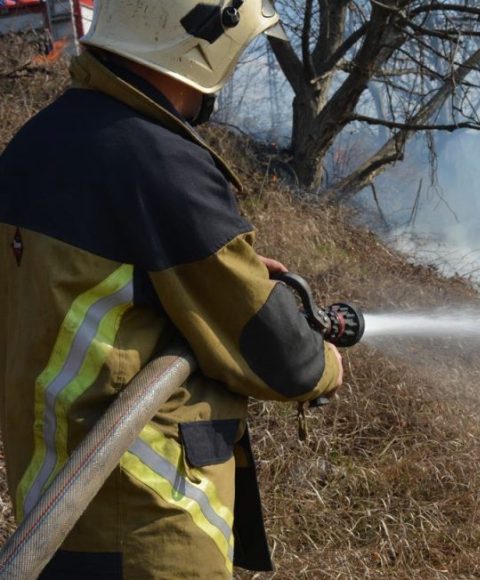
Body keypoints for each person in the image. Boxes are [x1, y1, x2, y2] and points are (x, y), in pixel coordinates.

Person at [0, 1, 344, 577]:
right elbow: (284, 359)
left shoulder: (39, 142)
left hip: (56, 510)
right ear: (207, 40)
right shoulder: (160, 164)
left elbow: (91, 287)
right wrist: (325, 361)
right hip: (147, 521)